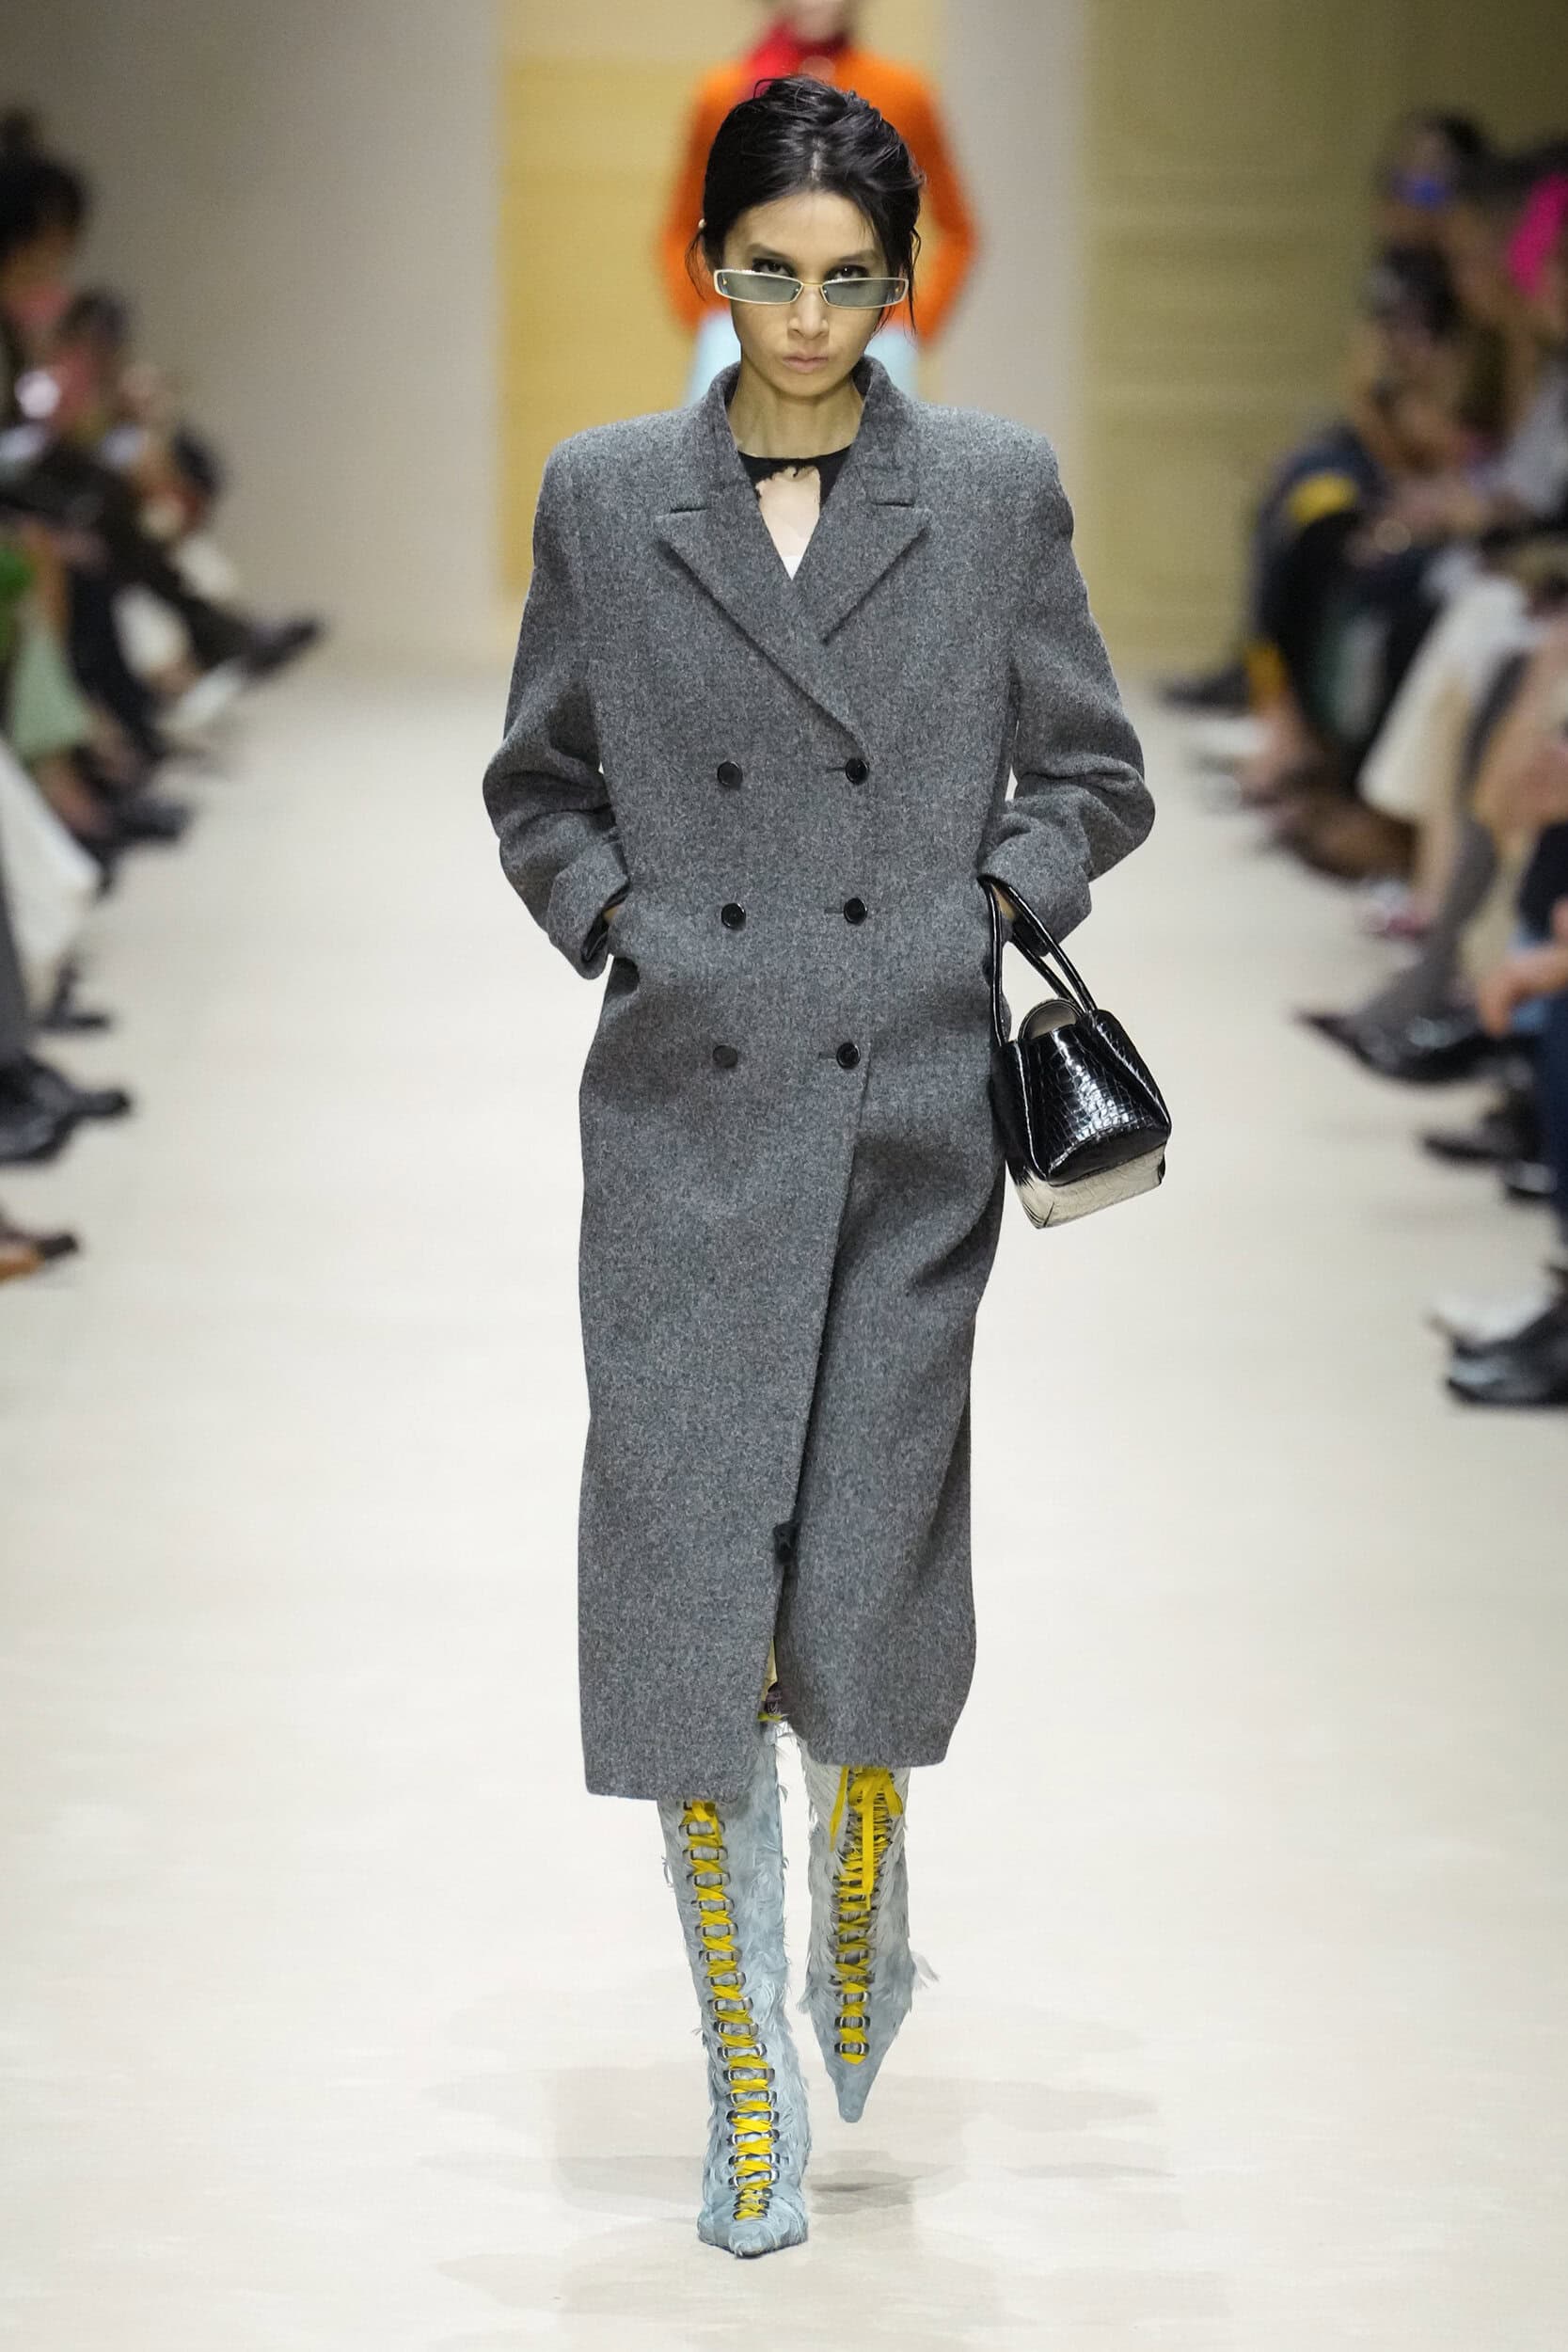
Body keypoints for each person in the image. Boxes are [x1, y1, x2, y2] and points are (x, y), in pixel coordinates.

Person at [483, 74, 1153, 2257]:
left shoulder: (989, 493)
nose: (802, 316)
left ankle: (862, 1841)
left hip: (902, 1114)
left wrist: (985, 900)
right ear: (706, 267)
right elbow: (537, 776)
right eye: (766, 272)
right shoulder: (607, 497)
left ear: (899, 281)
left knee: (858, 1575)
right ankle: (741, 2080)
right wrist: (616, 917)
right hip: (682, 1115)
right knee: (695, 1601)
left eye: (846, 279)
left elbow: (1094, 768)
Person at [657, 0, 977, 402]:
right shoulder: (724, 93)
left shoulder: (903, 94)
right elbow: (681, 226)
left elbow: (959, 231)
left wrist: (910, 324)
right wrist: (713, 314)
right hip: (747, 323)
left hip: (872, 328)